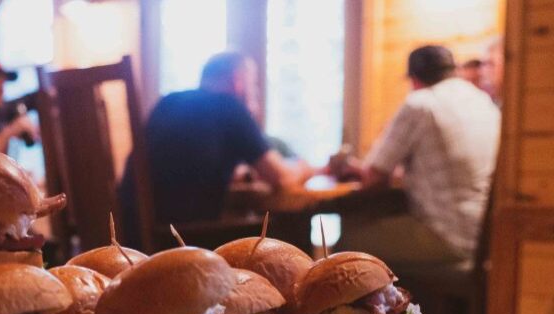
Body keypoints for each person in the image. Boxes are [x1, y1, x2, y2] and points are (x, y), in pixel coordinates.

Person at [119, 51, 311, 245]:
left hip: (132, 237)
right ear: (238, 81)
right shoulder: (229, 107)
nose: (254, 93)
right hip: (184, 241)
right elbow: (281, 177)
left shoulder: (168, 102)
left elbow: (187, 166)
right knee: (289, 223)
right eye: (253, 85)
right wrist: (303, 167)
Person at [333, 45, 500, 266]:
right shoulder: (482, 100)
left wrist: (348, 168)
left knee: (348, 242)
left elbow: (374, 177)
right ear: (453, 71)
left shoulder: (420, 103)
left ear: (414, 79)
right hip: (485, 237)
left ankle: (374, 301)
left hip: (448, 237)